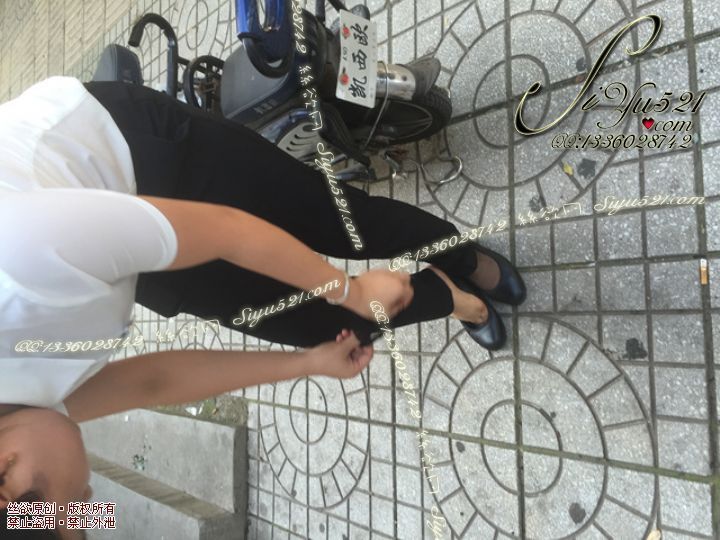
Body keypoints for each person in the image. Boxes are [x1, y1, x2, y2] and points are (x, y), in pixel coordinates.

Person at [0, 76, 525, 538]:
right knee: (326, 331)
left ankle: (464, 258)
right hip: (109, 254)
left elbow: (228, 231)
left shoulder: (19, 264)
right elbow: (151, 383)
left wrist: (350, 288)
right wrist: (307, 363)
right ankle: (449, 297)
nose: (91, 500)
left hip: (126, 153)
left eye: (78, 502)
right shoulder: (25, 450)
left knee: (341, 224)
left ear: (6, 474)